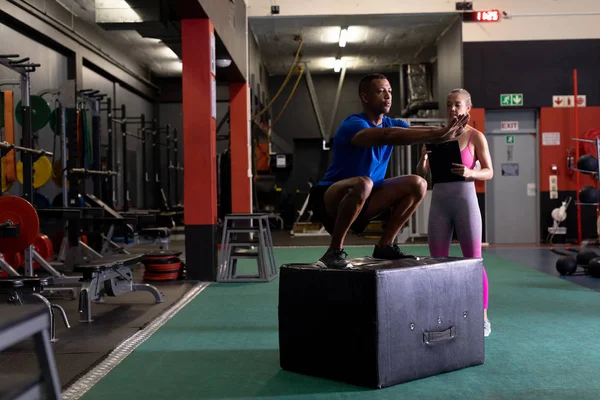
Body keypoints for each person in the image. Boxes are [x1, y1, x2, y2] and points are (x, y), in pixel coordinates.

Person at [309, 73, 470, 270]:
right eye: (380, 91)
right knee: (363, 182)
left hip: (367, 197)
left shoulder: (392, 123)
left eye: (390, 91)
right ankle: (333, 252)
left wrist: (447, 131)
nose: (387, 96)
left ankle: (385, 244)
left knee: (418, 183)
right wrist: (440, 132)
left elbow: (417, 131)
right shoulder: (353, 124)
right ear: (365, 97)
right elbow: (388, 135)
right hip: (330, 197)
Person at [416, 88, 494, 337]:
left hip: (465, 201)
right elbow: (423, 174)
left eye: (457, 105)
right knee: (437, 262)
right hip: (439, 203)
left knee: (473, 260)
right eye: (449, 105)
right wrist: (423, 160)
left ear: (468, 108)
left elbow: (489, 171)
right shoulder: (436, 136)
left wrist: (472, 173)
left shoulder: (475, 137)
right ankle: (441, 315)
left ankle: (482, 318)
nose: (452, 110)